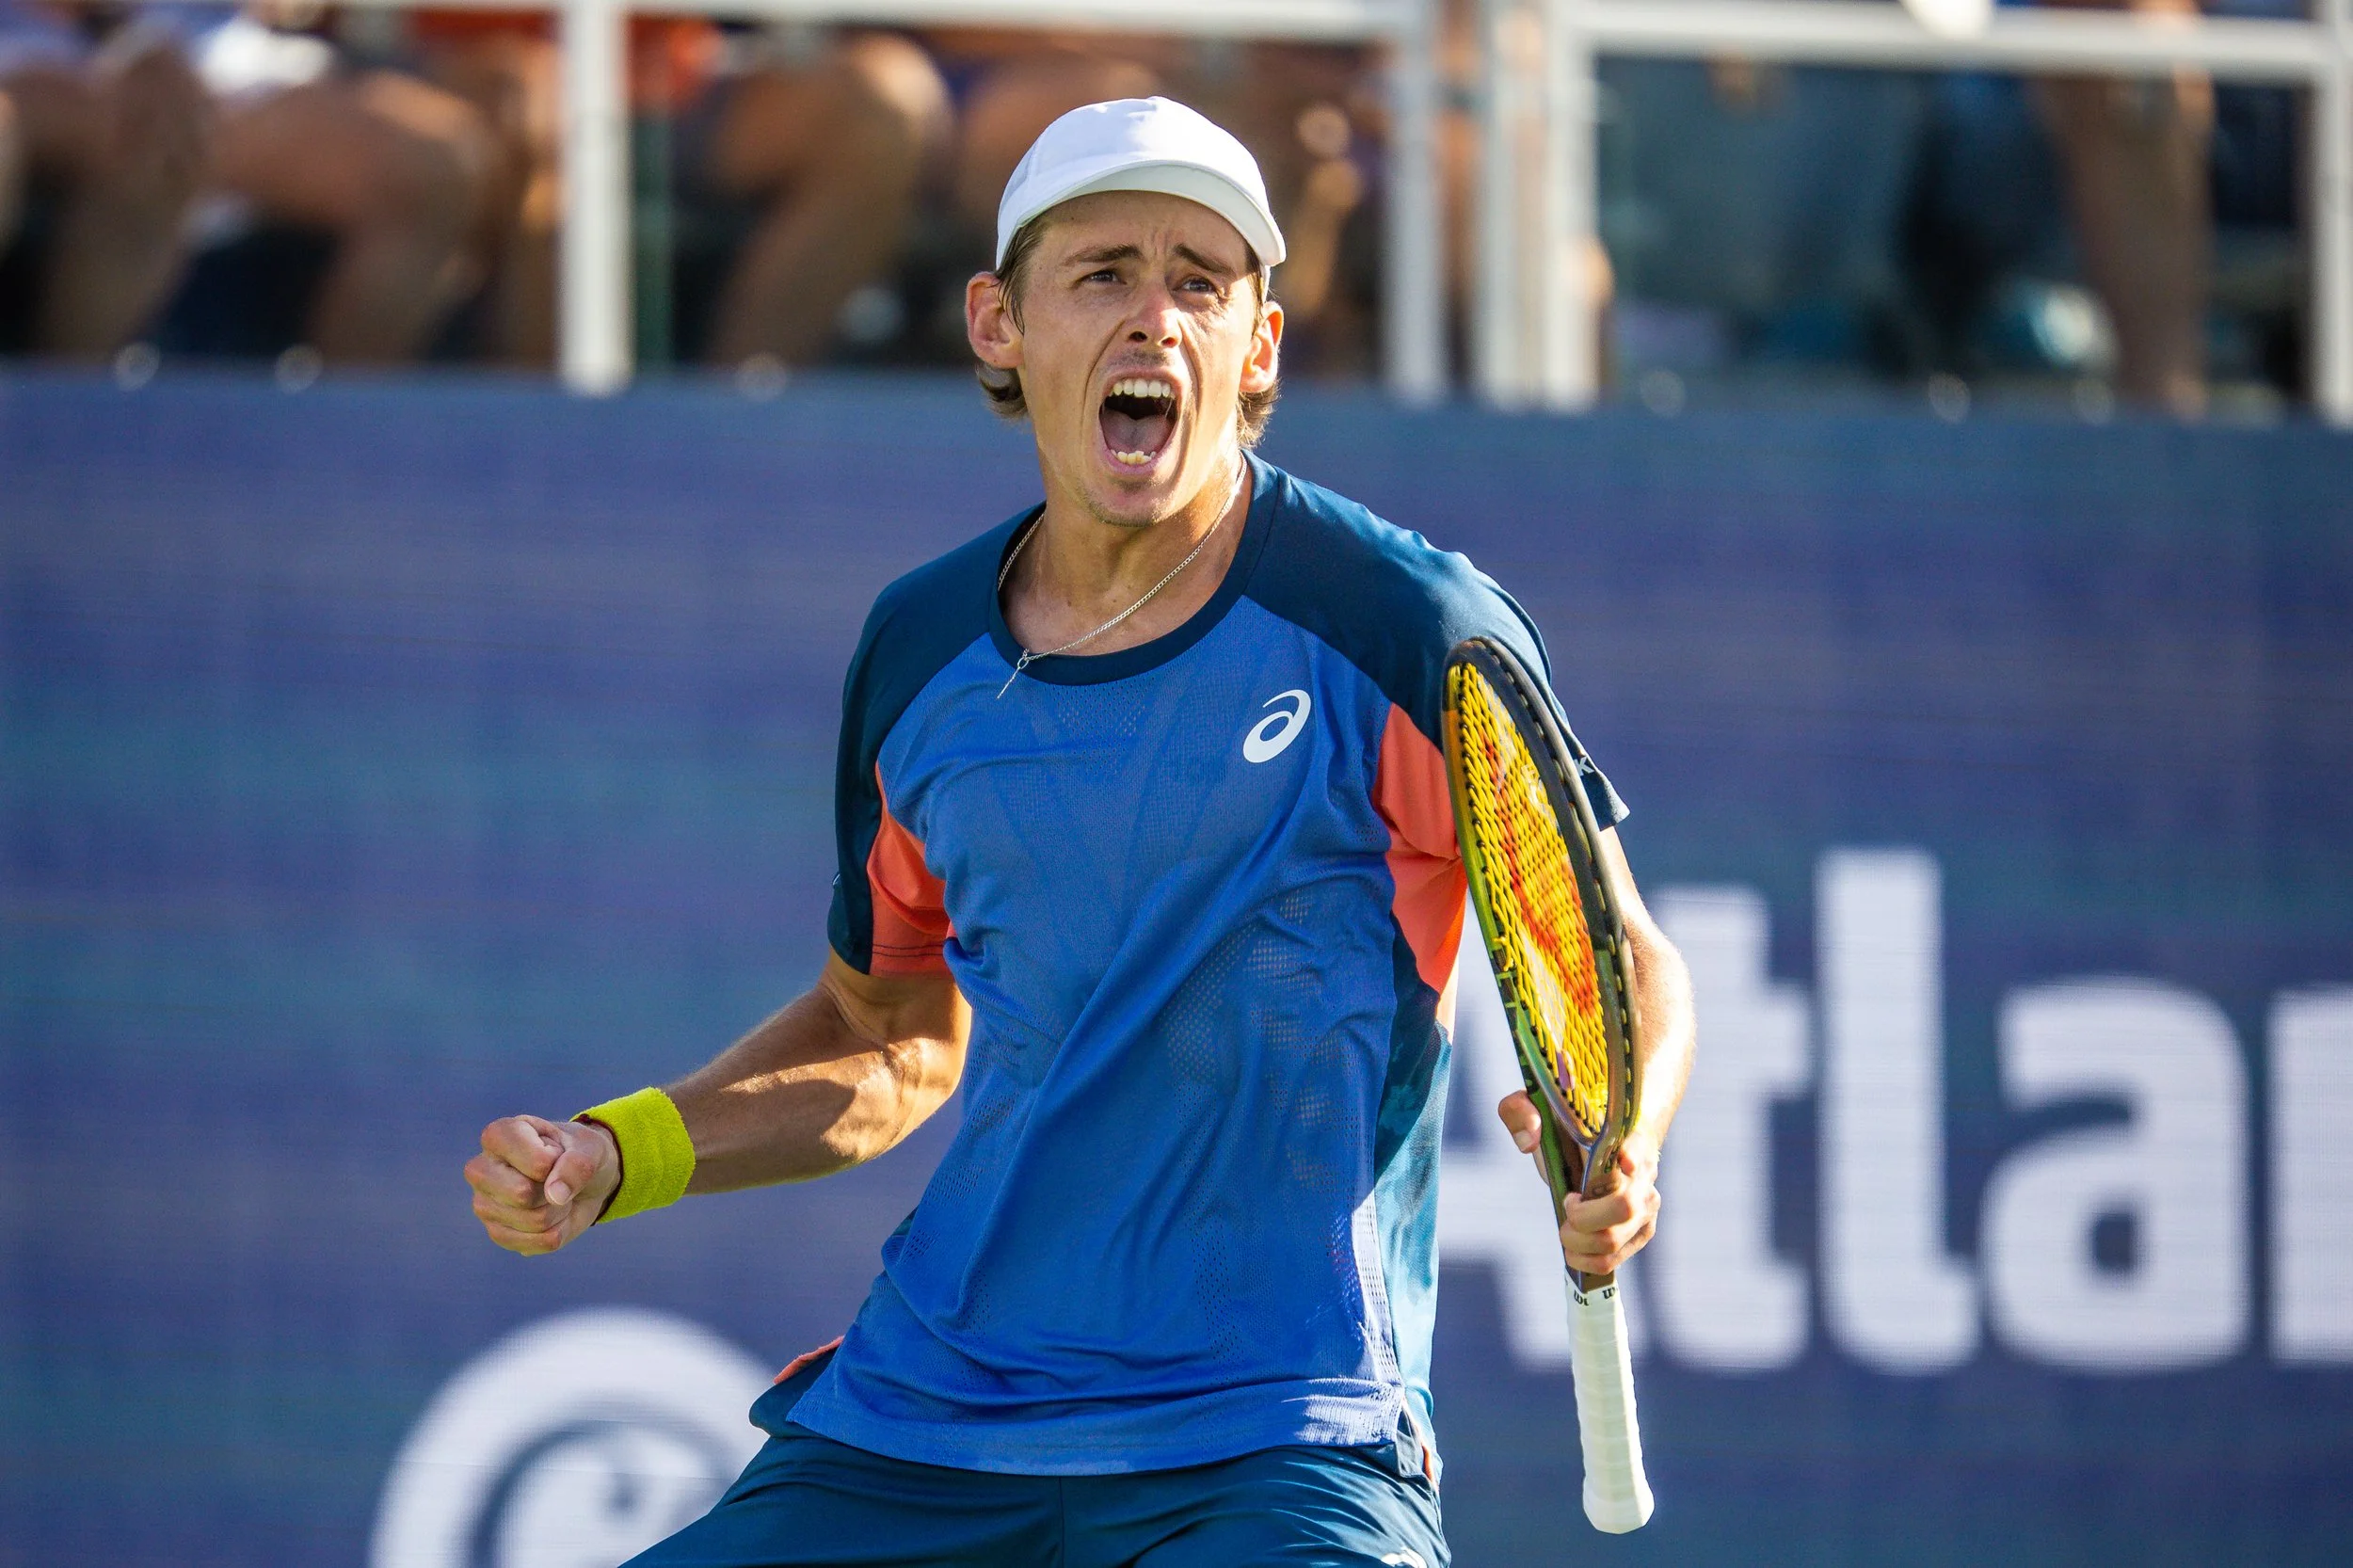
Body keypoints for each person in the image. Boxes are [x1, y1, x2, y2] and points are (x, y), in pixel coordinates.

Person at [465, 97, 1695, 1567]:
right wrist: (624, 1151)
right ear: (999, 323)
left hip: (1281, 1440)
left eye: (1200, 281)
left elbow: (1619, 956)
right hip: (923, 1425)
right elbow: (887, 1038)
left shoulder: (1406, 626)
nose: (1153, 315)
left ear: (1260, 345)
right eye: (1104, 271)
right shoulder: (921, 649)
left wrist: (1623, 1131)